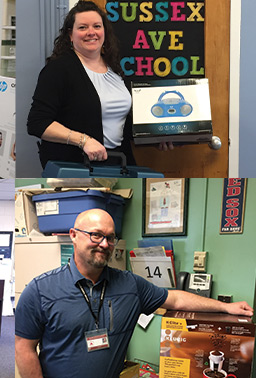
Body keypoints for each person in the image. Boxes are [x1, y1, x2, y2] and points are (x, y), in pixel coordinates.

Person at [15, 209, 253, 378]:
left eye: (110, 237)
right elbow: (24, 348)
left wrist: (225, 307)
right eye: (96, 235)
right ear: (74, 235)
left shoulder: (130, 285)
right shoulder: (39, 290)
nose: (105, 244)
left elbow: (176, 298)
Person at [27, 1, 173, 170]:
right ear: (70, 34)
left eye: (97, 26)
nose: (91, 32)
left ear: (104, 31)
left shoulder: (114, 68)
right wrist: (83, 141)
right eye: (82, 27)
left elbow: (118, 123)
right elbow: (37, 123)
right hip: (77, 165)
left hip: (119, 162)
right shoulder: (58, 69)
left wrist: (153, 138)